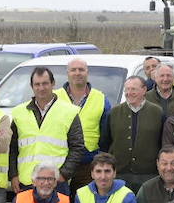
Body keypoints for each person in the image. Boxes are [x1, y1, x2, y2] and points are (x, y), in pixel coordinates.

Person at [9, 66, 84, 194]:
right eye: (37, 84)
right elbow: (12, 148)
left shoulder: (69, 111)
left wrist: (64, 174)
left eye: (45, 83)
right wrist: (13, 175)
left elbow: (77, 147)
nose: (41, 88)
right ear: (31, 86)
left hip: (56, 182)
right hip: (27, 182)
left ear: (53, 84)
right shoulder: (19, 112)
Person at [56, 57, 110, 192]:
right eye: (73, 70)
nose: (77, 73)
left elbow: (107, 134)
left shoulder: (101, 98)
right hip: (59, 161)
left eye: (81, 70)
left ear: (87, 72)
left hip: (88, 164)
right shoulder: (54, 97)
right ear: (67, 73)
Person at [108, 75, 165, 192]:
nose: (129, 93)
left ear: (144, 90)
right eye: (127, 89)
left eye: (133, 89)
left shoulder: (157, 112)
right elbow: (106, 141)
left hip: (148, 175)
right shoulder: (114, 112)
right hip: (119, 174)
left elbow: (163, 142)